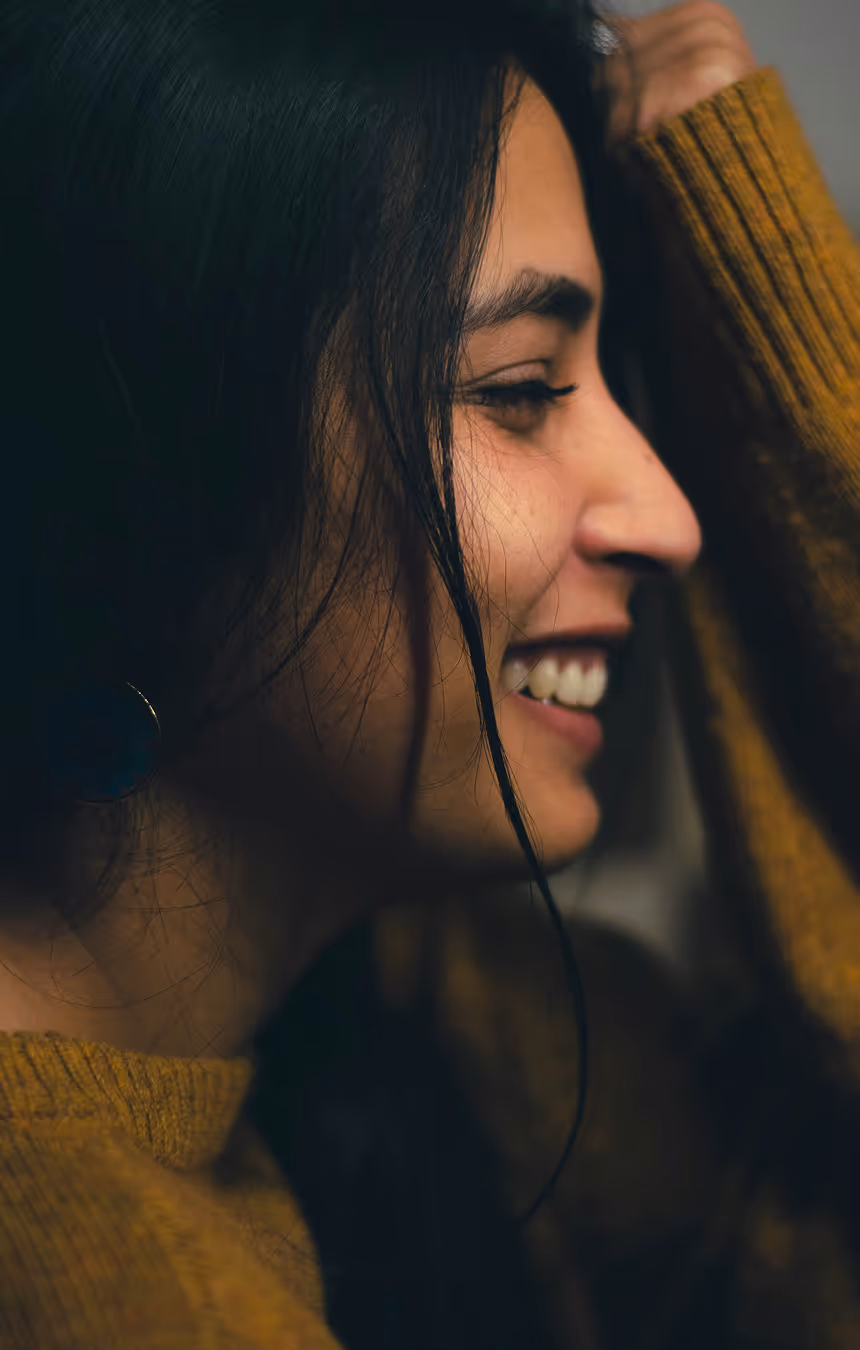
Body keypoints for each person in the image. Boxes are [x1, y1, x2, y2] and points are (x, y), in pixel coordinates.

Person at [0, 0, 858, 1345]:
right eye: (520, 387)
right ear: (156, 484)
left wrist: (753, 284)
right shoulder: (96, 1285)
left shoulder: (418, 1018)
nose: (671, 516)